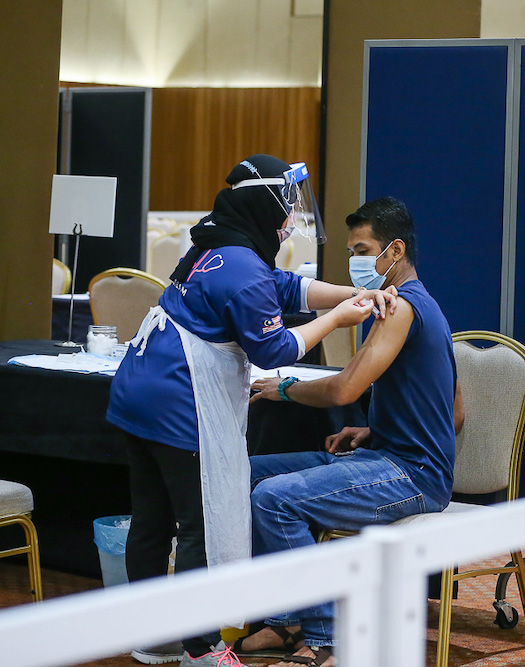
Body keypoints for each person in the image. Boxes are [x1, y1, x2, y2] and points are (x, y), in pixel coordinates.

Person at [107, 154, 396, 667]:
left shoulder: (216, 243)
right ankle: (201, 648)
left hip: (138, 391)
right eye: (286, 205)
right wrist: (336, 320)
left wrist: (352, 294)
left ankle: (149, 635)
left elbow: (286, 288)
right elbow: (275, 351)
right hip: (178, 399)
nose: (289, 218)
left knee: (151, 519)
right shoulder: (240, 265)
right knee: (196, 523)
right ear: (265, 204)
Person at [235, 196, 464, 667]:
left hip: (412, 476)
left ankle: (324, 638)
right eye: (352, 253)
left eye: (363, 251)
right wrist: (374, 428)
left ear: (394, 251)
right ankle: (284, 620)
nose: (355, 263)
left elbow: (341, 390)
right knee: (245, 475)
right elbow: (454, 411)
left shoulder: (402, 309)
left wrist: (286, 387)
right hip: (384, 458)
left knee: (274, 498)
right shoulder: (423, 308)